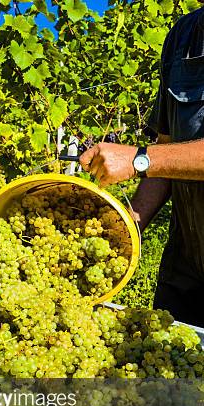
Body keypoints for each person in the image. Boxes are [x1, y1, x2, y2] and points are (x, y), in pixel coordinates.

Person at [79, 5, 204, 328]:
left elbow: (151, 159)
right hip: (187, 271)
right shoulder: (183, 36)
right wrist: (127, 227)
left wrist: (138, 159)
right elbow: (166, 152)